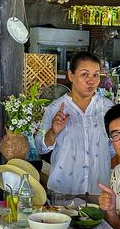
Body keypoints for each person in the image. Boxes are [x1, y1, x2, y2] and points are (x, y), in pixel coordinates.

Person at [36, 51, 113, 197]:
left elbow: (112, 148)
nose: (91, 81)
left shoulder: (108, 108)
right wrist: (53, 132)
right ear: (71, 76)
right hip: (63, 189)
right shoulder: (56, 108)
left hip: (99, 191)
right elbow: (40, 147)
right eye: (85, 74)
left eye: (96, 75)